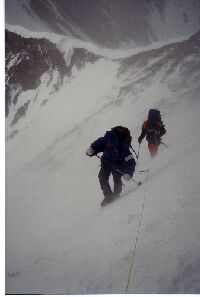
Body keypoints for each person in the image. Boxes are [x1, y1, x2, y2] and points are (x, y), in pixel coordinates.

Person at [86, 126, 136, 205]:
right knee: (102, 177)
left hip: (118, 164)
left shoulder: (123, 148)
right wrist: (92, 149)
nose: (108, 145)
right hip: (106, 162)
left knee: (117, 179)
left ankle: (116, 195)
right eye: (107, 143)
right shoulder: (105, 140)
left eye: (111, 144)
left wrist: (128, 173)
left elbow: (130, 161)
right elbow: (97, 144)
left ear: (115, 143)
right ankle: (108, 197)